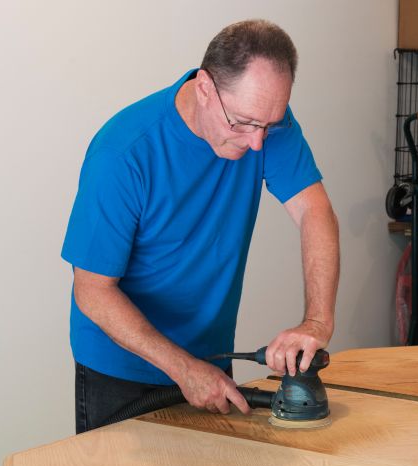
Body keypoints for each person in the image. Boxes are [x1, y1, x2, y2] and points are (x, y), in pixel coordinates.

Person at [61, 19, 340, 433]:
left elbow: (314, 211)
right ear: (205, 88)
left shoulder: (263, 120)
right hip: (122, 369)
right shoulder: (123, 154)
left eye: (269, 125)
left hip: (209, 360)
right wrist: (183, 369)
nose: (257, 142)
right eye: (243, 123)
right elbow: (93, 291)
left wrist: (317, 322)